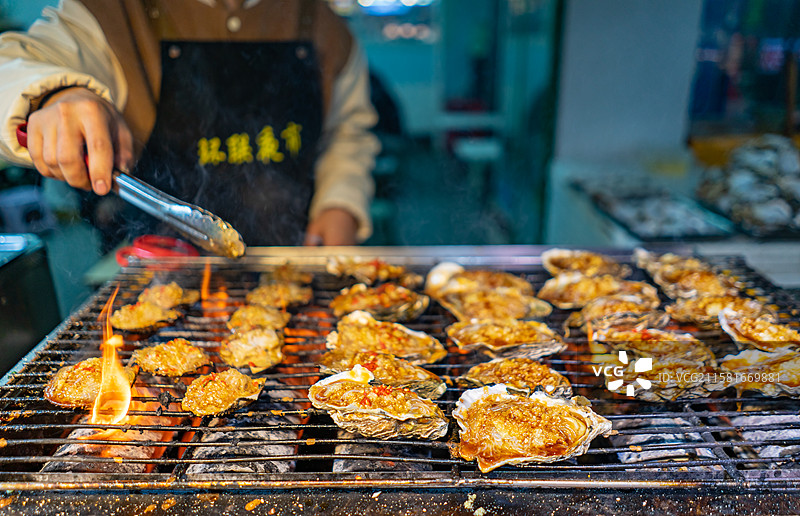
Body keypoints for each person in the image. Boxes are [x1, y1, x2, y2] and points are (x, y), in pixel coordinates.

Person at [0, 0, 380, 247]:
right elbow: (11, 69)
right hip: (156, 263)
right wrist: (53, 96)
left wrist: (340, 204)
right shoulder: (114, 12)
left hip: (291, 250)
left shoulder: (323, 23)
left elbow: (348, 131)